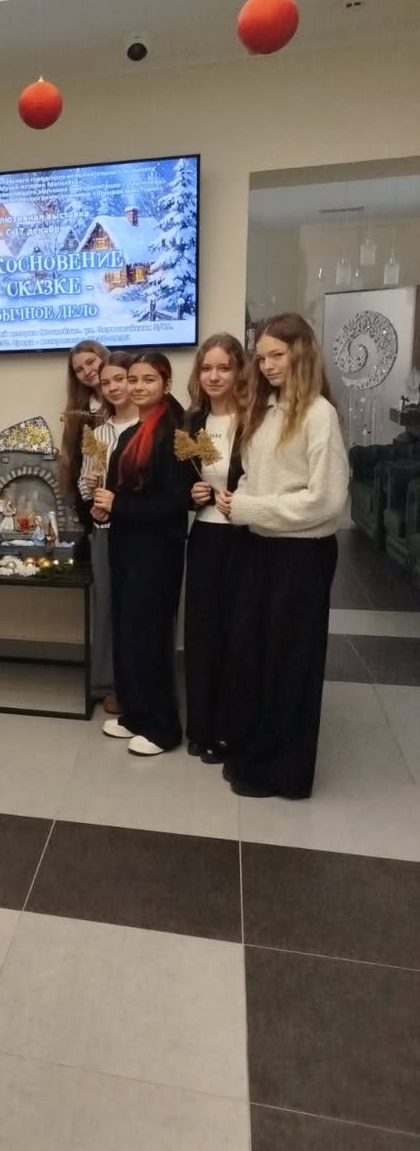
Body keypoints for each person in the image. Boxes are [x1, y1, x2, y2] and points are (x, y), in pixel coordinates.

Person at [218, 314, 348, 799]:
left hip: (302, 555)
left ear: (302, 353)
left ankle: (285, 773)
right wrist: (239, 498)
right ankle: (255, 753)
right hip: (259, 548)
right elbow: (256, 477)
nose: (268, 365)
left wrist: (248, 507)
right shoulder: (265, 410)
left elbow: (326, 500)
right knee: (254, 656)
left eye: (278, 355)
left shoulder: (319, 414)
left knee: (291, 663)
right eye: (262, 357)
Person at [92, 351, 188, 756]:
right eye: (133, 379)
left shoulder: (175, 432)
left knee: (151, 638)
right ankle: (136, 715)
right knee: (129, 634)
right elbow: (119, 491)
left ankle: (163, 728)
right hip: (127, 549)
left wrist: (119, 505)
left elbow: (176, 501)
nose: (137, 387)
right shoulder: (134, 431)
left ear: (166, 383)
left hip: (157, 553)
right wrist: (104, 507)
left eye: (148, 379)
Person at [182, 333, 247, 762]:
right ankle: (201, 727)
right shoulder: (192, 422)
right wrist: (194, 495)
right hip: (205, 537)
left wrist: (242, 499)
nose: (215, 376)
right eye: (207, 368)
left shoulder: (254, 419)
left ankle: (231, 729)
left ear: (240, 371)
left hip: (246, 539)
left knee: (237, 635)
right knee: (202, 635)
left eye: (224, 368)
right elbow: (179, 484)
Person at [75, 351, 137, 714]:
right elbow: (86, 483)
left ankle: (135, 684)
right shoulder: (98, 433)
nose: (113, 387)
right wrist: (92, 494)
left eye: (120, 379)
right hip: (104, 531)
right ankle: (106, 682)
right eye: (106, 382)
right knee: (106, 607)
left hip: (140, 533)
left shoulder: (150, 428)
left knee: (135, 610)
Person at [61, 340, 108, 498]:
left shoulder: (131, 403)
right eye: (79, 370)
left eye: (91, 362)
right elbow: (76, 464)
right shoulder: (80, 413)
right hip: (92, 500)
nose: (87, 371)